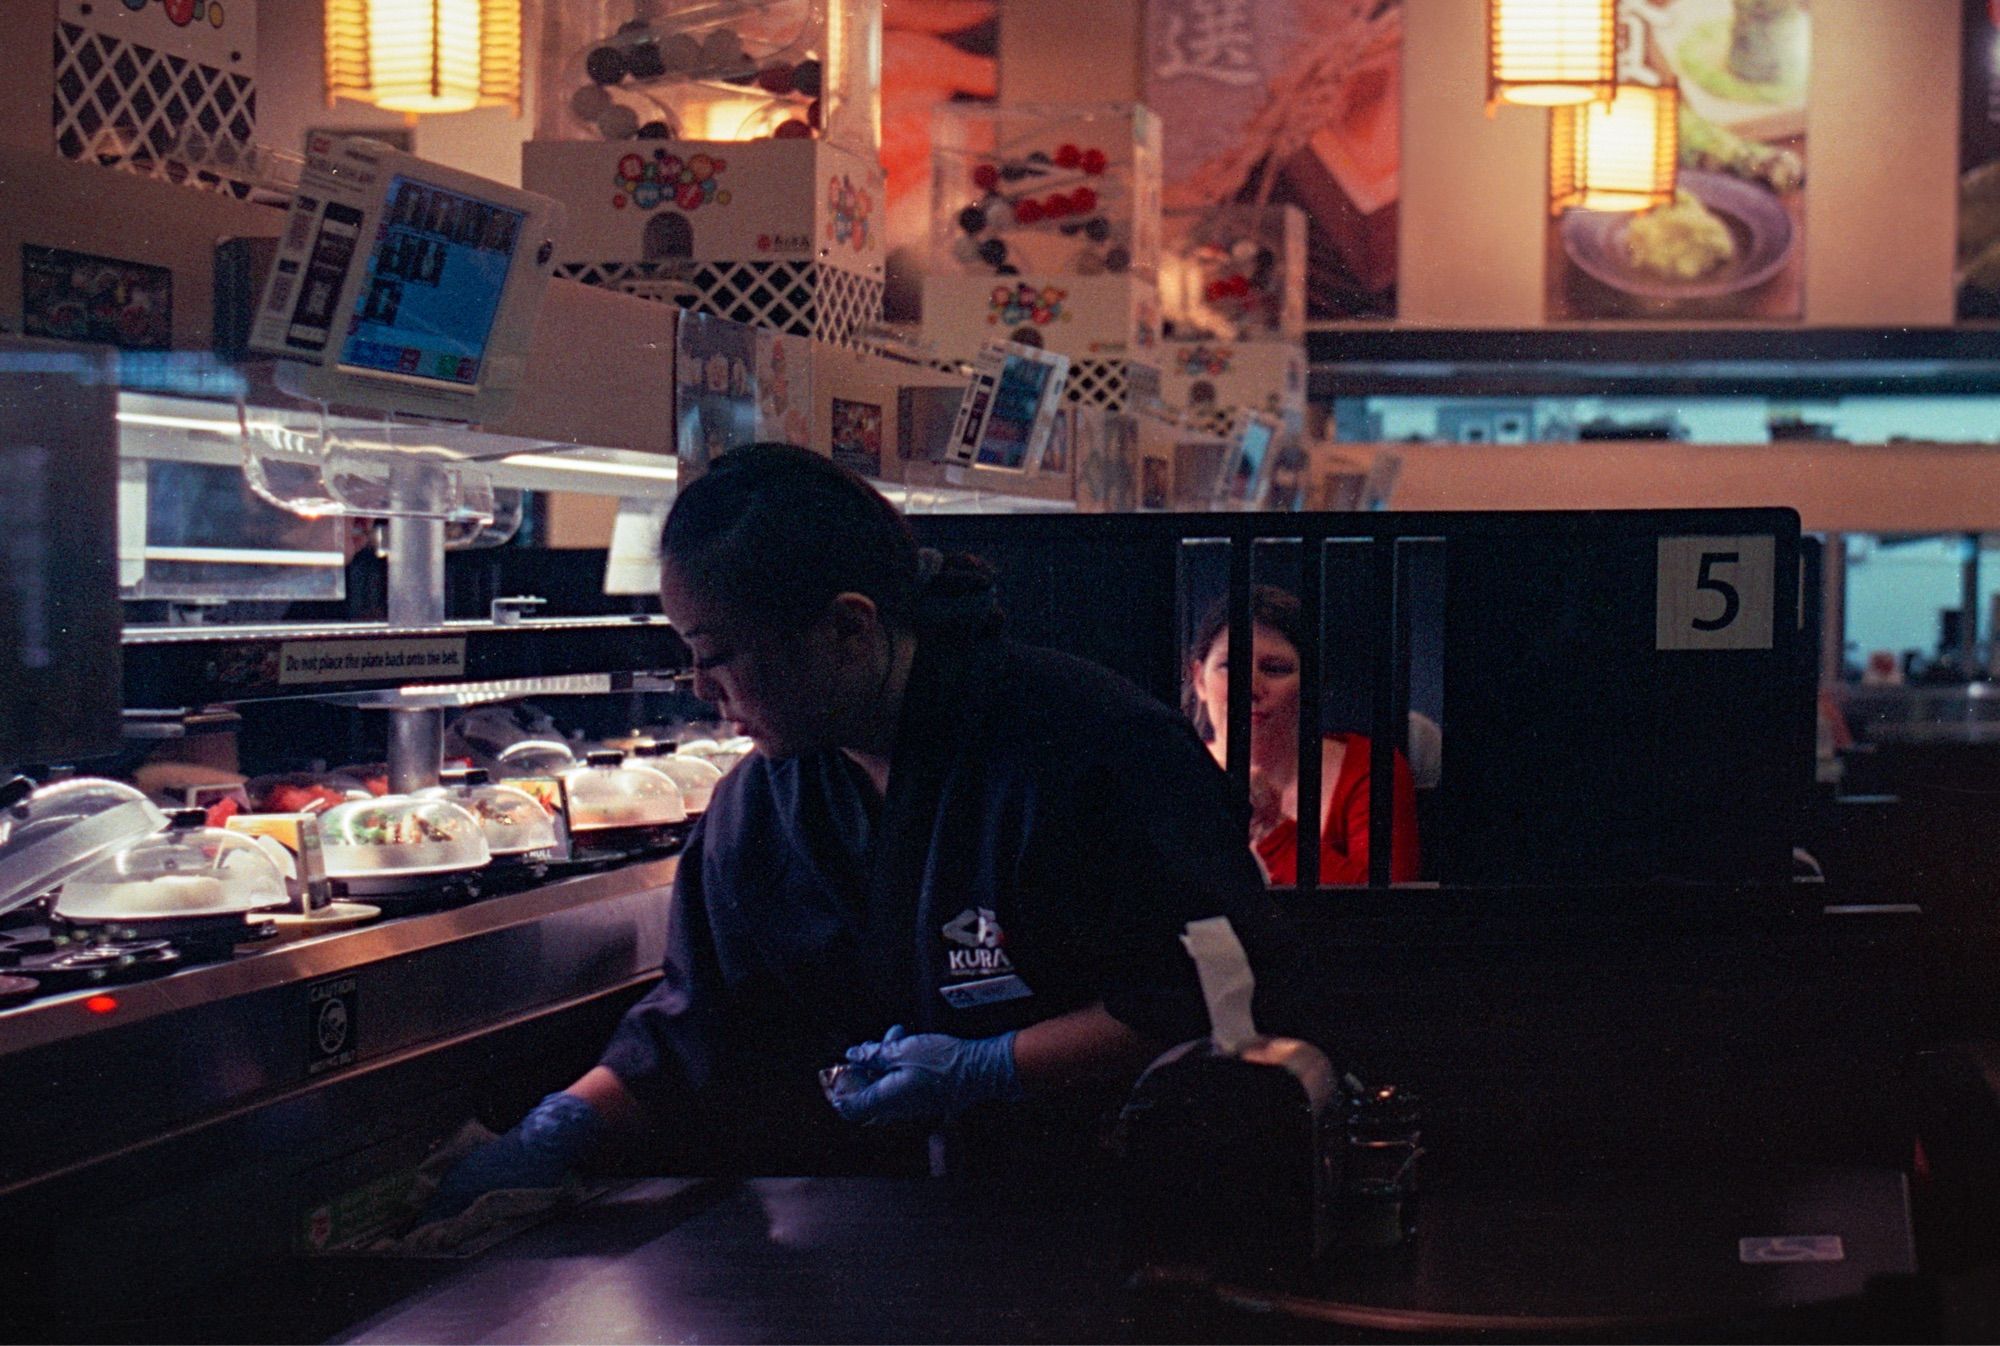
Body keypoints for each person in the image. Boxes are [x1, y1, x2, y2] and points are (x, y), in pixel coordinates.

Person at [425, 445, 1303, 1217]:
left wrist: (990, 1066)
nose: (698, 686)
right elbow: (695, 1033)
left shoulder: (1089, 745)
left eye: (719, 651)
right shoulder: (761, 807)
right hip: (865, 1229)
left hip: (1089, 1217)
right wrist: (555, 1130)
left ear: (849, 628)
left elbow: (1212, 989)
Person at [1186, 585, 1420, 887]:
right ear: (1199, 680)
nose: (1249, 688)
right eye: (1230, 666)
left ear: (1313, 685)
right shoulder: (1177, 773)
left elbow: (1392, 912)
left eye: (1275, 668)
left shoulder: (1371, 769)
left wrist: (1273, 830)